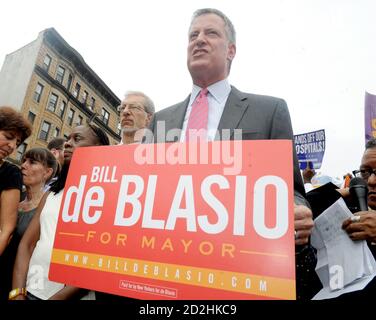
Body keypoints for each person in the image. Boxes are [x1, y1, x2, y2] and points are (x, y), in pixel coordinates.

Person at [148, 8, 314, 299]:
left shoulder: (270, 110)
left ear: (231, 50)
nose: (199, 40)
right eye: (192, 35)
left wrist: (298, 210)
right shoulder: (159, 121)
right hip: (166, 273)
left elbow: (293, 190)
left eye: (211, 33)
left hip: (238, 276)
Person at [11, 124, 109, 300]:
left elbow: (97, 263)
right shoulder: (51, 195)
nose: (68, 143)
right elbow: (27, 245)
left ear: (99, 149)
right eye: (68, 138)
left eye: (77, 139)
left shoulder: (109, 198)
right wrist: (17, 293)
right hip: (29, 292)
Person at [0, 147, 57, 300]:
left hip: (20, 284)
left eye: (32, 162)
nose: (24, 165)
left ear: (47, 172)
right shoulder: (12, 197)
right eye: (24, 160)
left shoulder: (49, 208)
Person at [0, 106, 32, 257]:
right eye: (8, 136)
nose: (13, 146)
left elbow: (7, 230)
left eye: (17, 142)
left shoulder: (11, 173)